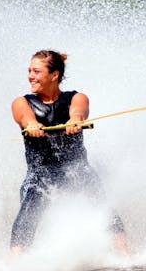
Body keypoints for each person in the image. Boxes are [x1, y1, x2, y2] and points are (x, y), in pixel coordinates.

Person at [10, 50, 129, 254]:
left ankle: (126, 256)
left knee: (103, 207)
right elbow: (25, 117)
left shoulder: (76, 98)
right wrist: (31, 125)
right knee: (27, 214)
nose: (31, 76)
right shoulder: (22, 102)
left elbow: (78, 111)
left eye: (37, 71)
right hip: (40, 176)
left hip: (77, 171)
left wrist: (75, 121)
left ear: (54, 75)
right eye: (29, 71)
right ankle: (15, 266)